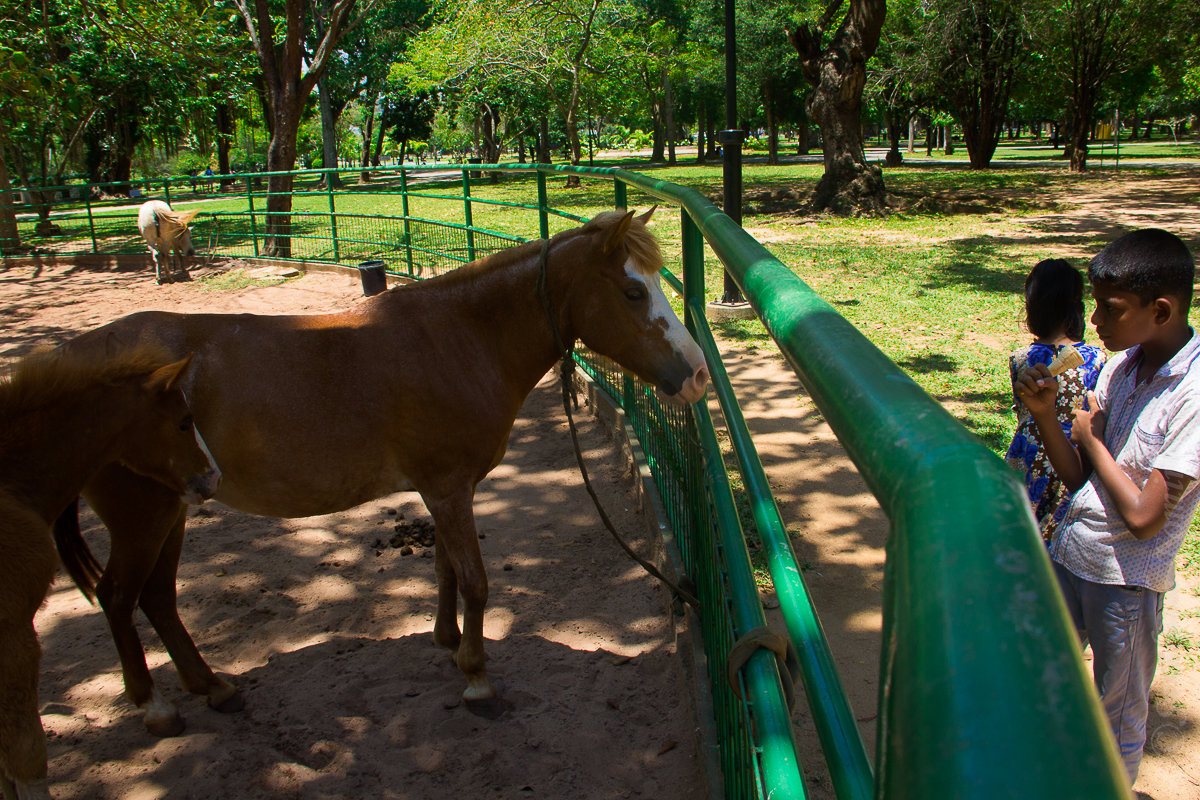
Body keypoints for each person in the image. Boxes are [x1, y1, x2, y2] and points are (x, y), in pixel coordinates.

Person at [1015, 228, 1200, 784]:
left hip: (1124, 583)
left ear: (1161, 309)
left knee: (1116, 711)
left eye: (1110, 309)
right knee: (1048, 681)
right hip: (1072, 554)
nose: (1094, 320)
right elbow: (1079, 480)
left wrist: (1092, 440)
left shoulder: (1191, 394)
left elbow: (1145, 518)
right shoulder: (1122, 367)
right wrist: (1048, 416)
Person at [1005, 258, 1106, 536]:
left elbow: (1022, 410)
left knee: (1019, 535)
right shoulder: (1097, 360)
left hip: (1026, 457)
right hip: (1070, 458)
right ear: (1077, 307)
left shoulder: (1020, 359)